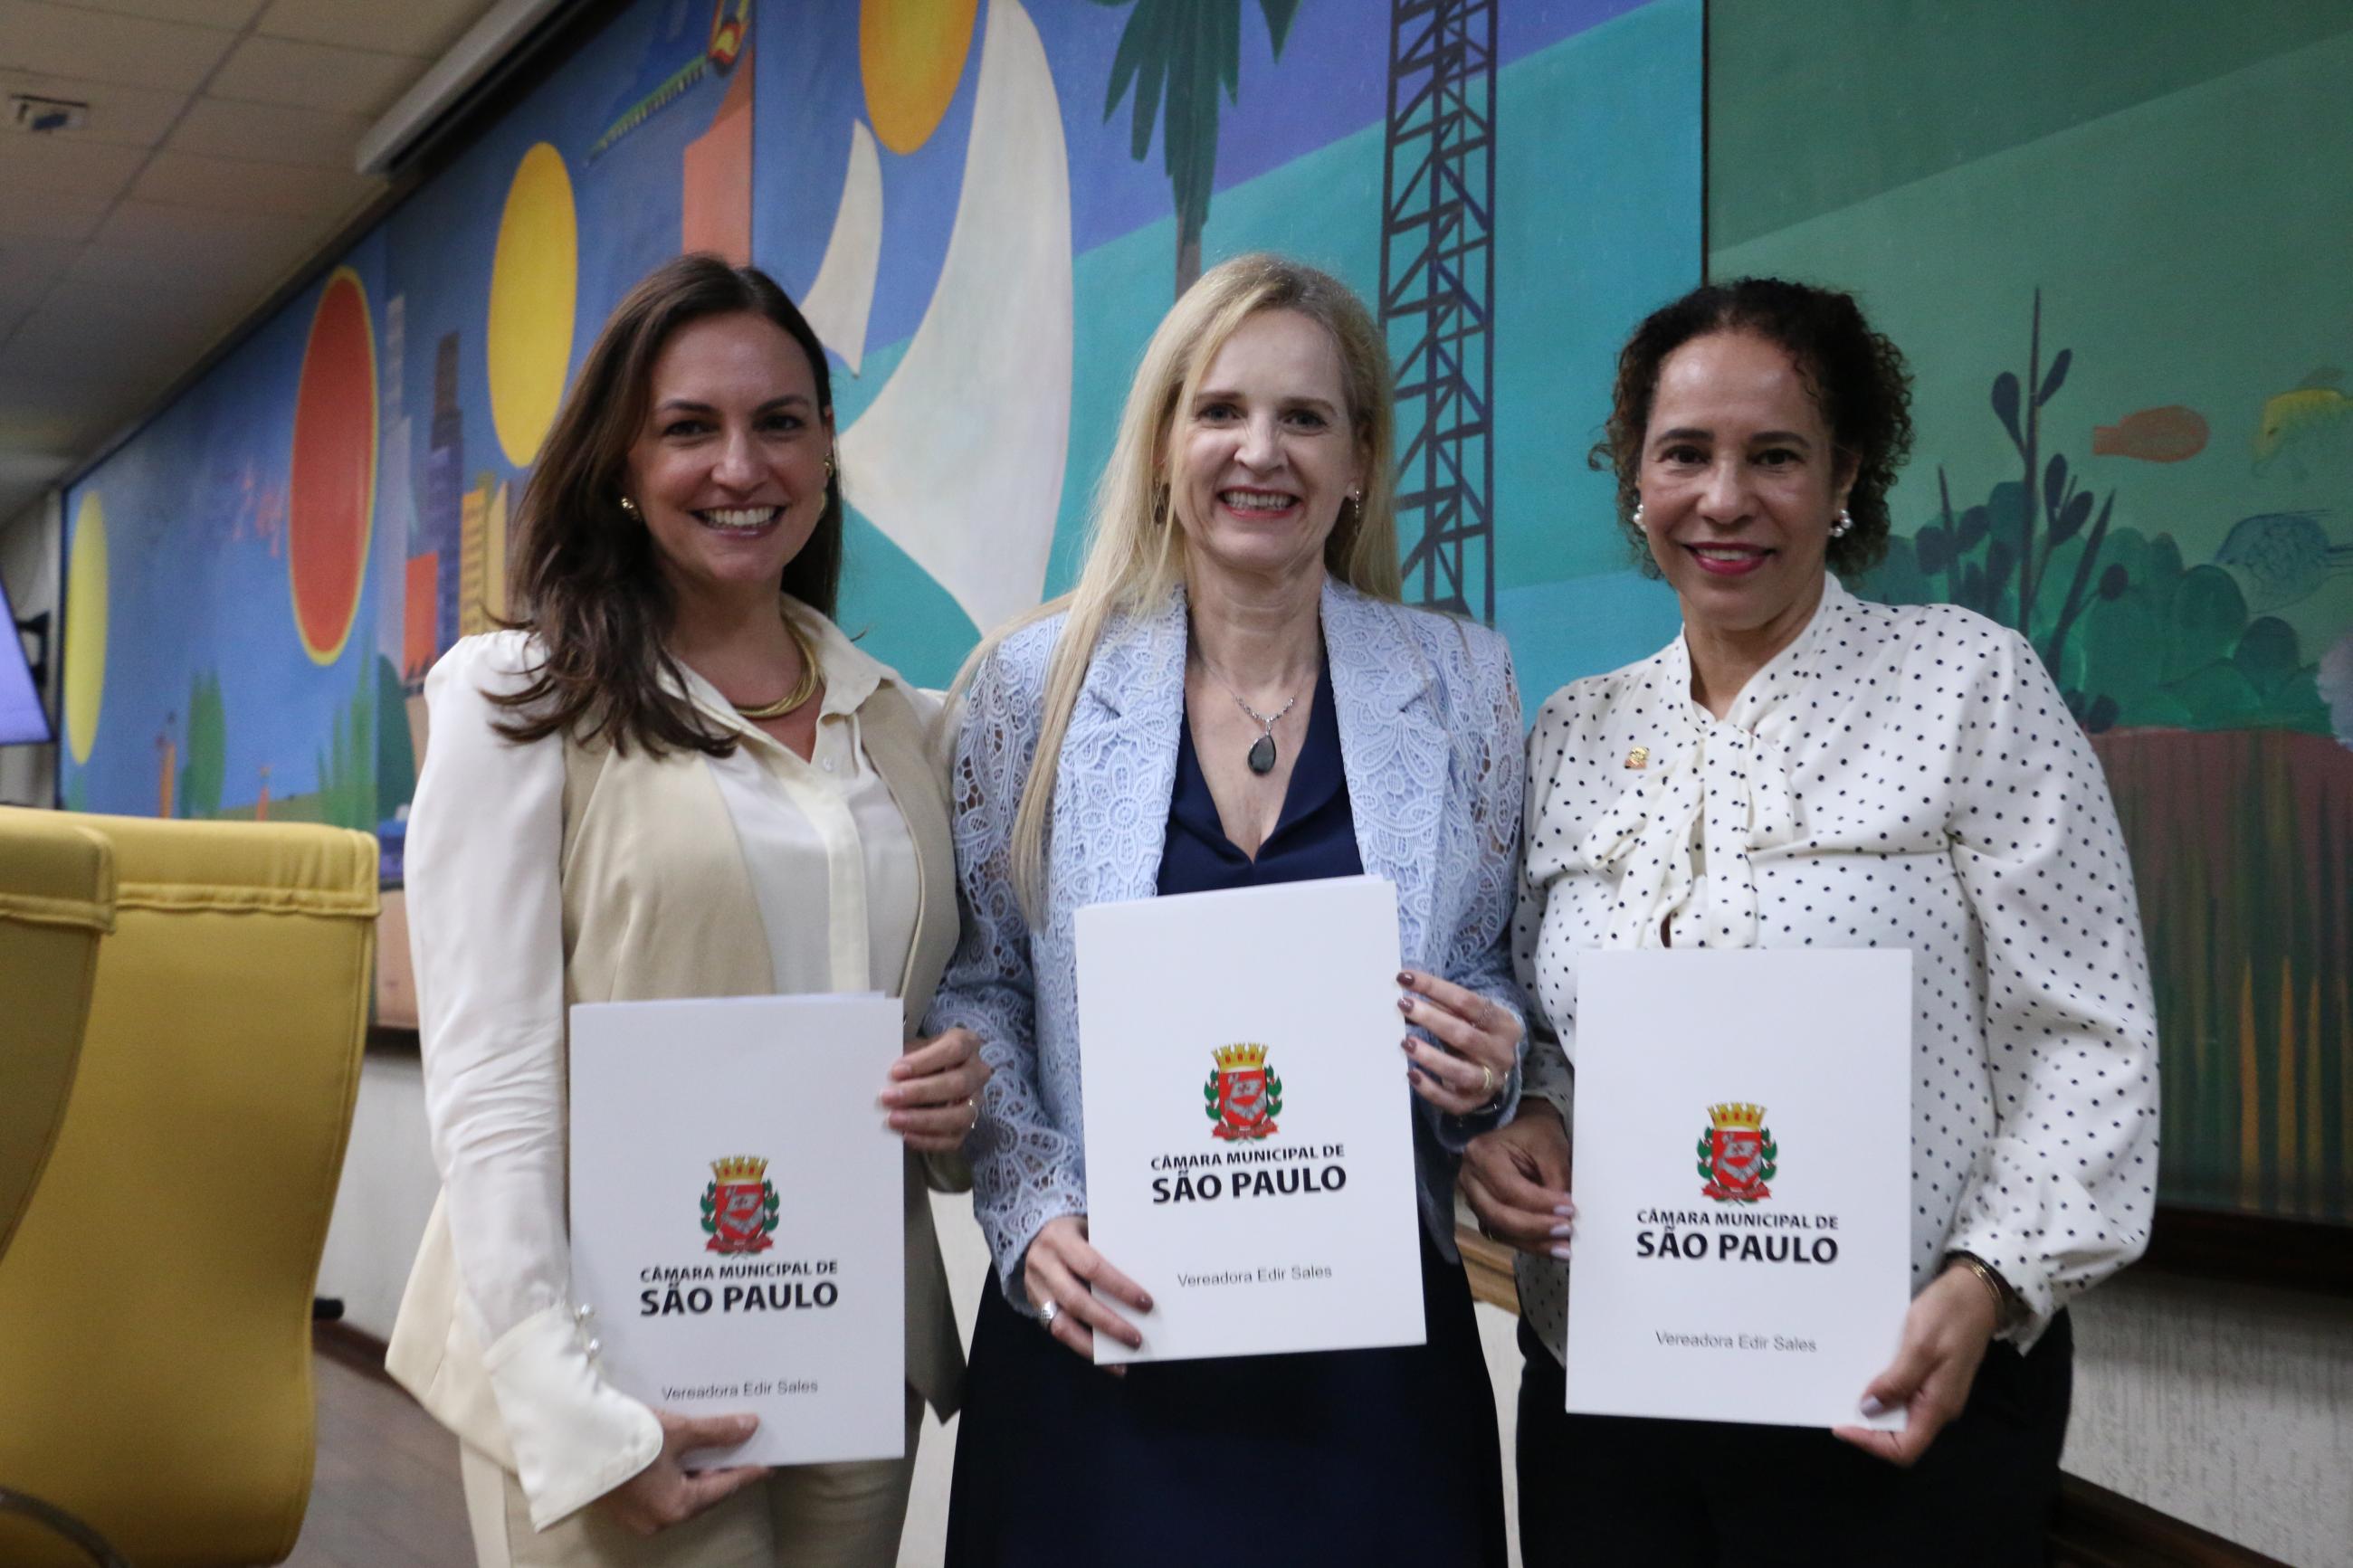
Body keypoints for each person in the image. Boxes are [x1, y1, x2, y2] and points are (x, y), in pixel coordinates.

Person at [1462, 276, 2159, 1566]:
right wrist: (1536, 1119)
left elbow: (2085, 1035)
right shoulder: (1573, 731)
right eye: (1685, 453)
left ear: (1845, 475)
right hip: (1609, 1398)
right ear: (1636, 481)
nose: (1724, 498)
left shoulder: (1971, 687)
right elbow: (1550, 1028)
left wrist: (1988, 1281)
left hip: (1897, 1393)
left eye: (1775, 455)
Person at [385, 254, 988, 1568]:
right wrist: (568, 1407)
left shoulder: (909, 724)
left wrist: (959, 1091)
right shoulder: (521, 701)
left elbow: (940, 1010)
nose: (740, 466)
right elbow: (490, 1083)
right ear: (622, 460)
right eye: (688, 428)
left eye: (780, 422)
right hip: (616, 1364)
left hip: (853, 1342)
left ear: (825, 452)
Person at [927, 253, 1524, 1566]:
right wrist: (1030, 1212)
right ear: (1162, 447)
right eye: (1220, 410)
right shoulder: (1030, 687)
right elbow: (981, 989)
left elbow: (1489, 967)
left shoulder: (1464, 683)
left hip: (1371, 1386)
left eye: (1305, 417)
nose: (1261, 451)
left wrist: (1491, 1064)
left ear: (1360, 462)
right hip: (1102, 1353)